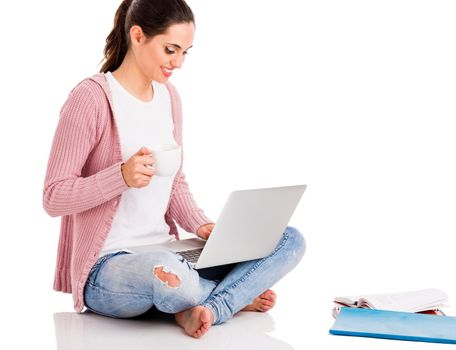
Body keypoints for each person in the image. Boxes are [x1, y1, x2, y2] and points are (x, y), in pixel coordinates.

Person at [43, 0, 306, 339]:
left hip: (170, 251)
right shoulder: (92, 97)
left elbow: (175, 182)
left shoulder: (169, 98)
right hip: (108, 266)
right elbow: (53, 196)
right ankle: (232, 297)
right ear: (138, 36)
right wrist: (120, 177)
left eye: (185, 52)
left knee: (289, 239)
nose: (178, 62)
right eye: (171, 49)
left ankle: (206, 307)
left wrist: (203, 225)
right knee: (170, 277)